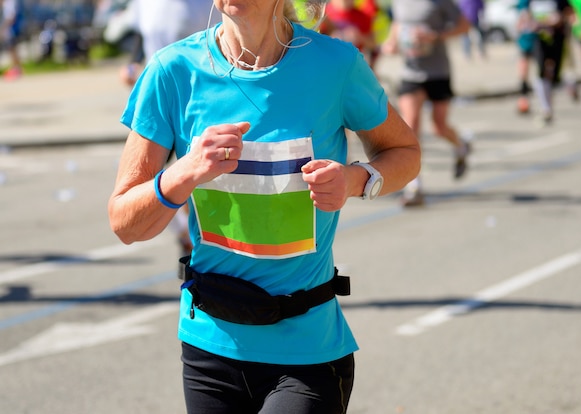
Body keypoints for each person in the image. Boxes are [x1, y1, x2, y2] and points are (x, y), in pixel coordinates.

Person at [108, 0, 421, 412]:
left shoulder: (335, 64)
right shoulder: (173, 71)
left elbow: (405, 152)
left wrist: (354, 180)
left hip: (307, 352)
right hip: (211, 350)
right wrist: (184, 172)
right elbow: (125, 223)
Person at [116, 0, 221, 256]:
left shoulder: (212, 4)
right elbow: (143, 37)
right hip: (160, 100)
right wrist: (132, 66)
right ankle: (188, 238)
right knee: (150, 184)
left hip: (203, 102)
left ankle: (195, 240)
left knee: (197, 178)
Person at [381, 0, 471, 207]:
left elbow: (464, 26)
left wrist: (437, 36)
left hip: (438, 72)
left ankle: (461, 146)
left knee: (439, 127)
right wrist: (391, 43)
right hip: (411, 73)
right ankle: (414, 187)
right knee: (411, 128)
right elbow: (398, 25)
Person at [519, 0, 572, 126]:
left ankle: (568, 84)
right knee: (541, 71)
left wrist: (560, 19)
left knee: (555, 75)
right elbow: (525, 14)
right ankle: (546, 109)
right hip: (539, 38)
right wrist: (527, 22)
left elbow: (568, 12)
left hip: (557, 38)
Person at [320, 0, 379, 68]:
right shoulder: (323, 14)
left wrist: (360, 37)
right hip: (330, 62)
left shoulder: (363, 16)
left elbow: (373, 44)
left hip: (354, 64)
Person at [0, 0, 23, 81]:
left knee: (12, 49)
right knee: (11, 49)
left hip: (11, 30)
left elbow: (10, 18)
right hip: (9, 29)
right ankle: (16, 68)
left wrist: (3, 29)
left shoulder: (10, 3)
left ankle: (17, 69)